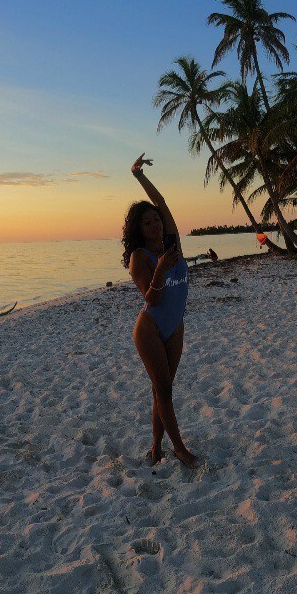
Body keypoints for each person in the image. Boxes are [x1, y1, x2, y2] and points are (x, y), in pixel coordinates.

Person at [122, 153, 200, 468]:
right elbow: (151, 300)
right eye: (147, 222)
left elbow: (162, 202)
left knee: (162, 390)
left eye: (156, 219)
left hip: (175, 326)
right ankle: (179, 448)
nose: (155, 224)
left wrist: (138, 175)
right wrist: (160, 272)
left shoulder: (173, 246)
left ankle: (156, 448)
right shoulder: (139, 257)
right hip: (151, 328)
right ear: (138, 229)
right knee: (163, 389)